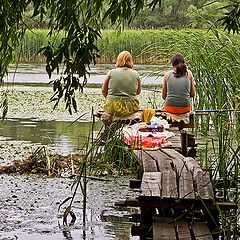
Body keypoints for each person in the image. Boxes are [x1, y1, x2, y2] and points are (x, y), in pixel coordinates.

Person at [101, 51, 141, 121]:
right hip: (130, 107)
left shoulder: (111, 72)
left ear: (118, 60)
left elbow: (103, 90)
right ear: (131, 61)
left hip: (112, 107)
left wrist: (109, 99)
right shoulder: (136, 74)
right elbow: (138, 92)